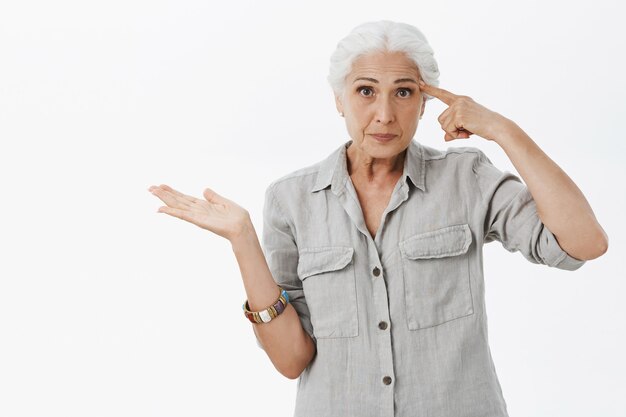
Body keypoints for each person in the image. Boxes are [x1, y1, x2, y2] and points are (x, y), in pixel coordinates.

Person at [147, 20, 608, 417]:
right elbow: (291, 359)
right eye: (365, 91)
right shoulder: (291, 199)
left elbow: (584, 244)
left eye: (403, 92)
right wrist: (242, 239)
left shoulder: (467, 178)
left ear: (424, 103)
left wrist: (503, 131)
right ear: (339, 100)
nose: (384, 115)